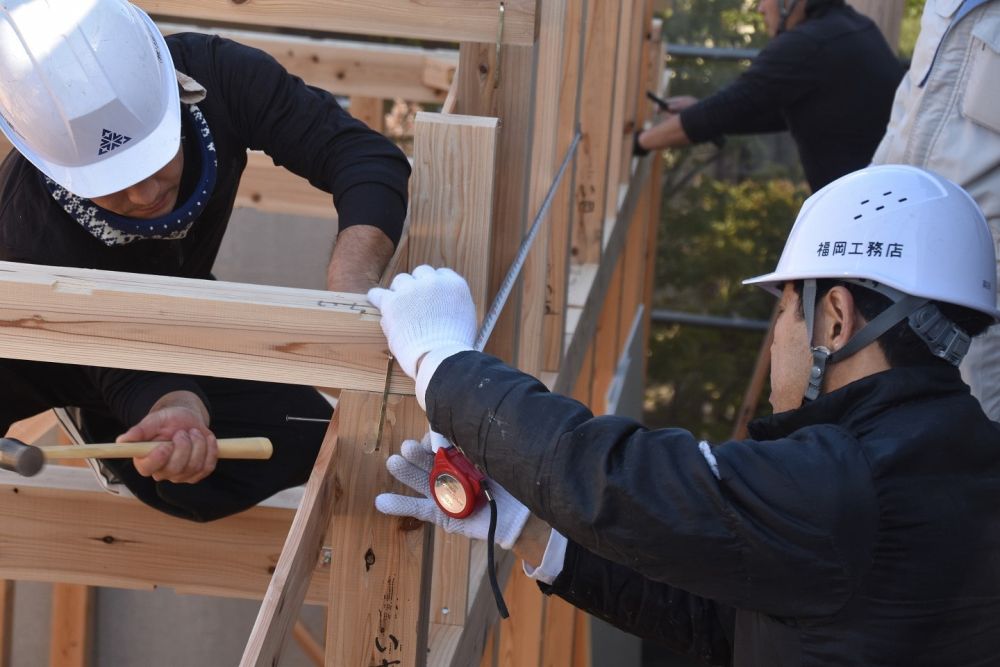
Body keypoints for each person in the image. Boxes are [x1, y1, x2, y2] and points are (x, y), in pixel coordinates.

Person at [369, 165, 1000, 665]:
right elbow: (734, 626)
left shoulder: (853, 480)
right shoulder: (960, 461)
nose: (777, 336)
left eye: (782, 311)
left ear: (835, 318)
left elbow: (621, 477)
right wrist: (531, 530)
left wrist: (442, 360)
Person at [0, 0, 410, 521]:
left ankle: (123, 430)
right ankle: (103, 421)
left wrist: (349, 285)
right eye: (113, 186)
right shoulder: (26, 238)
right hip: (29, 349)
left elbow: (358, 155)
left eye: (155, 156)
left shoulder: (216, 73)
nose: (147, 193)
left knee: (304, 433)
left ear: (177, 95)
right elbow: (117, 363)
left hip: (156, 319)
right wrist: (174, 407)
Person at [871, 0, 1000, 421]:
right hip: (909, 249)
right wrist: (872, 198)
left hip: (987, 266)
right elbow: (911, 108)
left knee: (981, 409)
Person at [636, 0, 904, 192]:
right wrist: (699, 109)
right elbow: (781, 110)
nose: (760, 8)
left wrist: (640, 142)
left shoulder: (806, 44)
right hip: (884, 197)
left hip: (859, 209)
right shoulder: (853, 26)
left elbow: (723, 110)